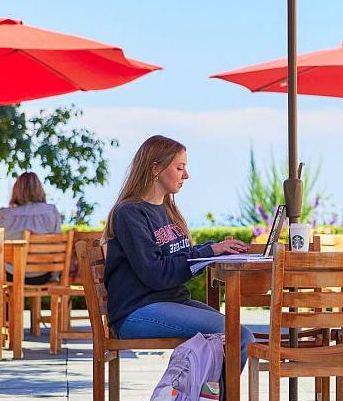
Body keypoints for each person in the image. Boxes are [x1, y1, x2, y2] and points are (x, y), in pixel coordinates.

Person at [102, 135, 253, 366]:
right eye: (180, 167)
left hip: (171, 302)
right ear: (156, 168)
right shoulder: (130, 213)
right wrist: (208, 252)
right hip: (137, 312)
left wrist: (213, 249)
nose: (186, 175)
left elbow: (179, 256)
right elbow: (156, 273)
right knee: (234, 334)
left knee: (241, 334)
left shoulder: (167, 210)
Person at [0, 172, 63, 284]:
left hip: (9, 275)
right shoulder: (52, 212)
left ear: (16, 190)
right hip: (41, 276)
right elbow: (57, 245)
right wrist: (55, 277)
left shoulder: (4, 214)